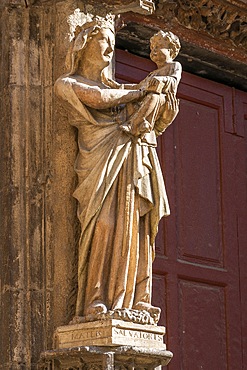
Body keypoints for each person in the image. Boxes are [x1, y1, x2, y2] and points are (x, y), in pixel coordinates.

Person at [55, 15, 180, 322]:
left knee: (135, 229)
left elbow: (159, 117)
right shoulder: (68, 84)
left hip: (132, 163)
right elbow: (99, 98)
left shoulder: (123, 89)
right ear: (83, 45)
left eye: (113, 42)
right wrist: (142, 89)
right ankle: (95, 298)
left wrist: (159, 94)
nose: (111, 48)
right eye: (104, 41)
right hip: (99, 166)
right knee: (105, 226)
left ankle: (135, 301)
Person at [119, 30, 182, 138]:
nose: (154, 50)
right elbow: (139, 87)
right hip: (146, 100)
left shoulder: (174, 65)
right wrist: (119, 87)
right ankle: (138, 122)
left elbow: (174, 80)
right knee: (132, 99)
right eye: (153, 48)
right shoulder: (153, 73)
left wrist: (162, 80)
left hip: (164, 100)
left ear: (171, 50)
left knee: (154, 97)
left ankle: (134, 125)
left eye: (159, 46)